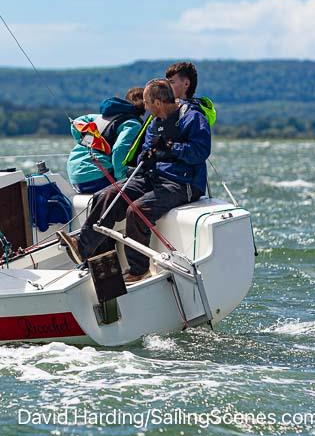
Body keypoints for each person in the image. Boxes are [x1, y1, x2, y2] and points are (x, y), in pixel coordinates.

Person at [59, 79, 211, 283]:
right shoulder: (154, 123)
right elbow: (144, 151)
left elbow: (200, 152)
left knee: (137, 211)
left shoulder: (192, 118)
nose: (145, 108)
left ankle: (139, 270)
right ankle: (83, 247)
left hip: (182, 182)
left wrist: (171, 147)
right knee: (107, 195)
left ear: (157, 102)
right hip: (152, 177)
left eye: (147, 103)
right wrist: (145, 156)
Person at [66, 87, 145, 194]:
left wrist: (86, 140)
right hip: (97, 178)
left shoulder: (98, 118)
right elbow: (119, 149)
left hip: (75, 177)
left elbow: (76, 123)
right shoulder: (133, 124)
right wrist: (121, 178)